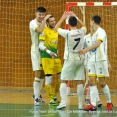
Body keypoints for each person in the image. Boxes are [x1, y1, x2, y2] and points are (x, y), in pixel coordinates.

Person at [78, 15, 113, 111]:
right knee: (91, 81)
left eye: (90, 21)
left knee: (102, 83)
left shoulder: (101, 32)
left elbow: (98, 44)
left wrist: (85, 50)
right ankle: (93, 104)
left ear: (92, 21)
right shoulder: (90, 35)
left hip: (100, 60)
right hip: (91, 61)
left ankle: (109, 102)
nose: (90, 23)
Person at [54, 11, 87, 109]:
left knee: (64, 80)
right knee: (79, 81)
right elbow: (84, 26)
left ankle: (63, 101)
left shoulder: (67, 33)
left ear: (68, 23)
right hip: (80, 58)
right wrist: (76, 16)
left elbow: (56, 28)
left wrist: (63, 17)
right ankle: (80, 104)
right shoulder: (82, 31)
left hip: (70, 58)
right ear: (76, 23)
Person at [29, 7, 51, 105]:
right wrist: (45, 20)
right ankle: (36, 98)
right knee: (38, 73)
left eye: (43, 15)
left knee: (42, 73)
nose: (42, 16)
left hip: (43, 50)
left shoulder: (45, 24)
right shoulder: (33, 23)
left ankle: (36, 94)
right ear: (36, 14)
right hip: (36, 51)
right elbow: (39, 30)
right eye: (40, 15)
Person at [39, 15, 62, 106]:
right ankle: (51, 99)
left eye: (54, 20)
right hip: (47, 57)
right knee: (49, 79)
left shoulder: (56, 30)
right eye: (51, 21)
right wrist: (49, 52)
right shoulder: (43, 31)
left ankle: (55, 96)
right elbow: (40, 45)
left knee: (62, 76)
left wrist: (63, 17)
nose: (54, 22)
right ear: (47, 23)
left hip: (55, 57)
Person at [84, 27, 102, 107]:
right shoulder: (86, 38)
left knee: (94, 81)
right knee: (92, 80)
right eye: (92, 28)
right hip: (88, 62)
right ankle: (97, 100)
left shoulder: (99, 38)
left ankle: (88, 98)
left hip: (97, 62)